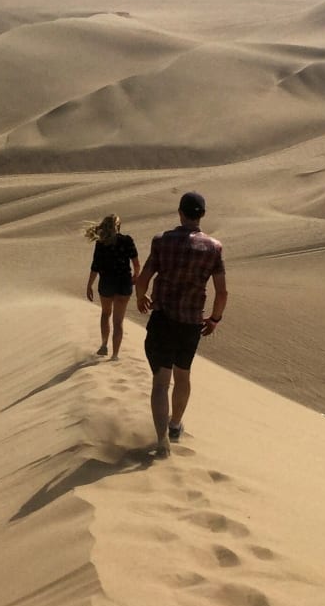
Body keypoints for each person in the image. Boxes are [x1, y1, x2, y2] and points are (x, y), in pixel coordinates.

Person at [134, 191, 227, 458]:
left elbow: (144, 277)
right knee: (182, 374)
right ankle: (175, 426)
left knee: (161, 382)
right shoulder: (213, 248)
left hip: (163, 319)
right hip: (190, 323)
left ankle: (162, 438)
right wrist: (215, 318)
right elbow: (221, 291)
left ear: (180, 212)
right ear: (203, 215)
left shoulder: (162, 241)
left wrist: (141, 297)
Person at [85, 214, 140, 360]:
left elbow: (95, 267)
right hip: (123, 284)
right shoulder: (127, 241)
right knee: (118, 321)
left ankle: (104, 346)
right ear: (118, 226)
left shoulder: (101, 243)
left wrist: (89, 285)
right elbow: (136, 263)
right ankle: (115, 355)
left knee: (105, 314)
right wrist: (136, 276)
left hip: (107, 284)